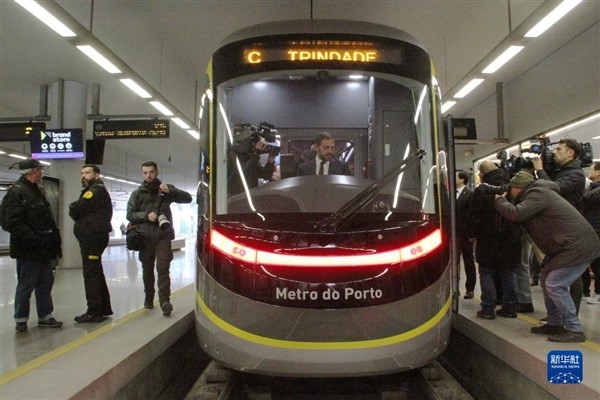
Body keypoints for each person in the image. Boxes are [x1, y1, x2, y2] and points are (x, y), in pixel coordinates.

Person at [494, 171, 600, 342]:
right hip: (566, 246)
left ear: (517, 188)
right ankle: (555, 322)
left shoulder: (537, 194)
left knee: (555, 284)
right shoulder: (537, 193)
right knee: (545, 279)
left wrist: (499, 201)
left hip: (577, 247)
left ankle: (574, 328)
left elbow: (516, 214)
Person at [0, 158, 63, 332]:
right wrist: (34, 238)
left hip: (43, 248)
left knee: (45, 283)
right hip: (28, 249)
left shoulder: (36, 191)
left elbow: (47, 221)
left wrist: (53, 244)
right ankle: (21, 319)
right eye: (41, 170)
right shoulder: (16, 193)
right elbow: (10, 223)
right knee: (26, 284)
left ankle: (45, 316)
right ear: (34, 171)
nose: (42, 173)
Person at [127, 161, 192, 316]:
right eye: (145, 172)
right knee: (147, 269)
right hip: (144, 237)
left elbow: (188, 198)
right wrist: (145, 216)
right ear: (142, 173)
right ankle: (148, 298)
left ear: (157, 172)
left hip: (163, 235)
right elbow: (130, 214)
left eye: (151, 172)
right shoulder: (137, 194)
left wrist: (170, 191)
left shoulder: (165, 189)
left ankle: (164, 301)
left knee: (163, 268)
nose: (148, 175)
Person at [532, 138, 586, 315]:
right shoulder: (562, 171)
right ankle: (556, 318)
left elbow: (554, 189)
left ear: (571, 153)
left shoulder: (575, 174)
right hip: (558, 229)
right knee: (548, 274)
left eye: (559, 150)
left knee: (570, 278)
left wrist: (539, 169)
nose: (555, 153)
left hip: (569, 232)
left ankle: (571, 317)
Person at [468, 161, 520, 319]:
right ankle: (510, 308)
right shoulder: (511, 187)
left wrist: (472, 234)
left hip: (487, 238)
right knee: (508, 273)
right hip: (510, 238)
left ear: (482, 174)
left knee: (487, 272)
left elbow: (474, 216)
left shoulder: (481, 190)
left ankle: (488, 309)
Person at [69, 164, 114, 323]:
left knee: (91, 274)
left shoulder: (95, 191)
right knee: (96, 272)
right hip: (93, 237)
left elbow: (76, 209)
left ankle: (94, 311)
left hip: (92, 238)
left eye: (87, 173)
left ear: (96, 175)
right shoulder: (97, 190)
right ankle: (103, 308)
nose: (83, 176)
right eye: (82, 173)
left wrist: (72, 207)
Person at [455, 170, 476, 299]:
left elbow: (471, 215)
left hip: (465, 233)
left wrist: (471, 233)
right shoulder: (449, 194)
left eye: (455, 177)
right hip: (453, 233)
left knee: (468, 261)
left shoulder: (470, 195)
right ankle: (455, 287)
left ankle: (470, 288)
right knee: (454, 261)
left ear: (462, 179)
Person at [581, 161, 600, 304]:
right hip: (590, 227)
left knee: (597, 263)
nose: (589, 171)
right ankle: (585, 291)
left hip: (597, 229)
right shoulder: (592, 187)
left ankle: (598, 292)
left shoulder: (596, 189)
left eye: (592, 169)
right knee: (585, 262)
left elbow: (586, 199)